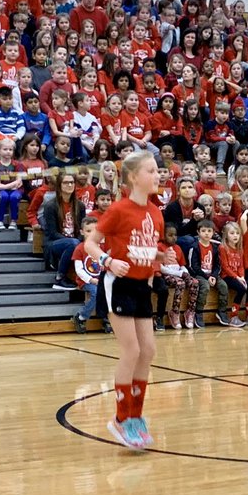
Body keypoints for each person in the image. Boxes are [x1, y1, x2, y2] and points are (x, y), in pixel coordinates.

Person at [82, 150, 165, 450]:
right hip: (118, 283)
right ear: (133, 177)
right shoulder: (118, 209)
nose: (158, 175)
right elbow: (90, 243)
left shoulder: (156, 213)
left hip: (142, 285)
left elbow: (141, 246)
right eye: (152, 171)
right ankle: (120, 418)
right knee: (131, 350)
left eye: (158, 171)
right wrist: (107, 261)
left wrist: (158, 256)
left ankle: (136, 417)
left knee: (148, 351)